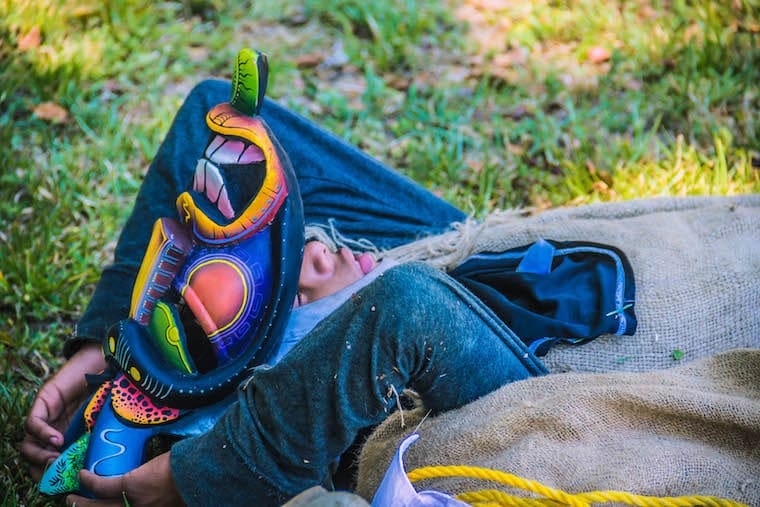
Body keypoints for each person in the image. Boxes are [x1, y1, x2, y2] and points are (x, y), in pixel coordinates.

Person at [21, 79, 549, 506]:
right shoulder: (361, 355)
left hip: (452, 254)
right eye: (292, 299)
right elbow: (404, 308)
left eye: (294, 259)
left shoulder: (335, 257)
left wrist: (106, 339)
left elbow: (216, 112)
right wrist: (201, 477)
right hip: (513, 350)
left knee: (225, 125)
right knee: (402, 300)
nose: (316, 248)